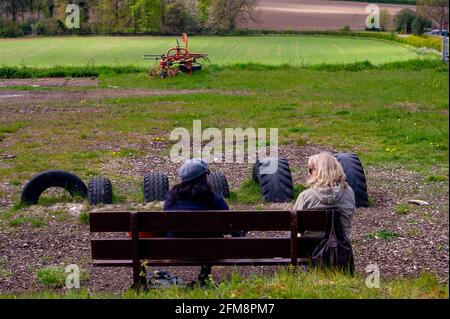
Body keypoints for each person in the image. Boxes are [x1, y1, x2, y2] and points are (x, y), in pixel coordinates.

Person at [163, 158, 230, 285]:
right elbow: (228, 225)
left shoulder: (171, 197)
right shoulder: (213, 198)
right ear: (203, 177)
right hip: (210, 251)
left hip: (176, 250)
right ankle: (205, 274)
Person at [294, 152, 355, 242]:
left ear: (320, 172)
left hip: (309, 249)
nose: (308, 173)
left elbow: (295, 226)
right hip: (339, 248)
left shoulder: (305, 196)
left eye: (310, 170)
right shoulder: (349, 192)